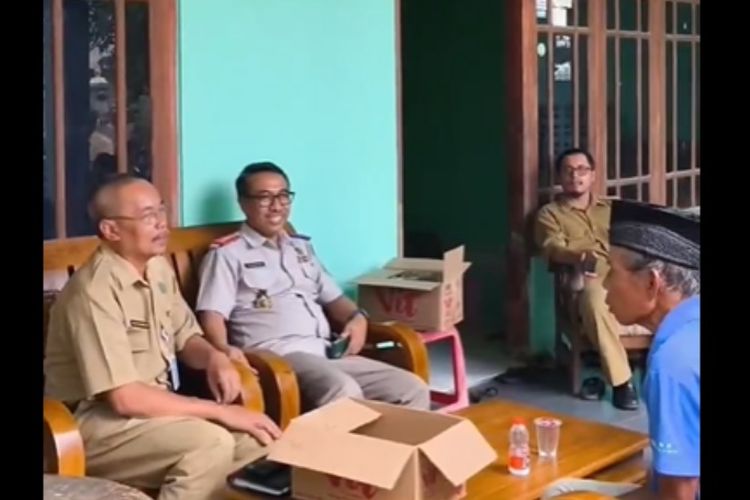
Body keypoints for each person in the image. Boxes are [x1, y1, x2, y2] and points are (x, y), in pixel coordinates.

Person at [44, 174, 282, 500]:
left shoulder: (156, 269)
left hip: (154, 411)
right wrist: (219, 411)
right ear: (111, 230)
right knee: (210, 444)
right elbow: (125, 398)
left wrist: (214, 357)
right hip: (88, 424)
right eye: (147, 216)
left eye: (161, 210)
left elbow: (186, 336)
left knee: (259, 442)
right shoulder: (93, 292)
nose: (161, 223)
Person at [196, 162, 431, 411]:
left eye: (283, 196)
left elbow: (334, 299)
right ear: (243, 203)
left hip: (328, 352)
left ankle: (394, 440)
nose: (276, 206)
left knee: (410, 388)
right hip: (279, 358)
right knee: (344, 390)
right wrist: (223, 350)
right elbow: (212, 314)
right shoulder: (227, 254)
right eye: (264, 197)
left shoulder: (301, 248)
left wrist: (358, 318)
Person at [542, 200, 700, 500]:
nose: (605, 285)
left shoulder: (673, 363)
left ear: (652, 283)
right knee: (560, 491)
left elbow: (681, 494)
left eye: (612, 272)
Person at [534, 147, 642, 410]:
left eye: (582, 170)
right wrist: (580, 255)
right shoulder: (550, 214)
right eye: (568, 171)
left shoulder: (612, 208)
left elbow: (637, 237)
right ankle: (622, 383)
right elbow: (551, 247)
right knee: (594, 299)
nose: (576, 176)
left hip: (629, 274)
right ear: (559, 177)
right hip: (589, 278)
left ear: (593, 175)